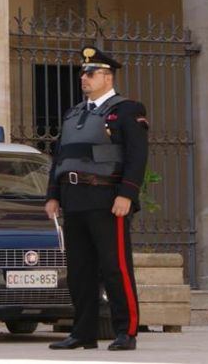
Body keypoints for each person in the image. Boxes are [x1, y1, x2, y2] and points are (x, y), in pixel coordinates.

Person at [45, 46, 149, 351]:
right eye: (82, 73)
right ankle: (83, 333)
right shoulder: (73, 113)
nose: (84, 78)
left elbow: (136, 156)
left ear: (107, 76)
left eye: (90, 73)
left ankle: (125, 332)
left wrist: (127, 194)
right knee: (79, 271)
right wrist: (53, 195)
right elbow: (60, 157)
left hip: (107, 199)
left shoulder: (127, 110)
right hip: (74, 200)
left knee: (115, 267)